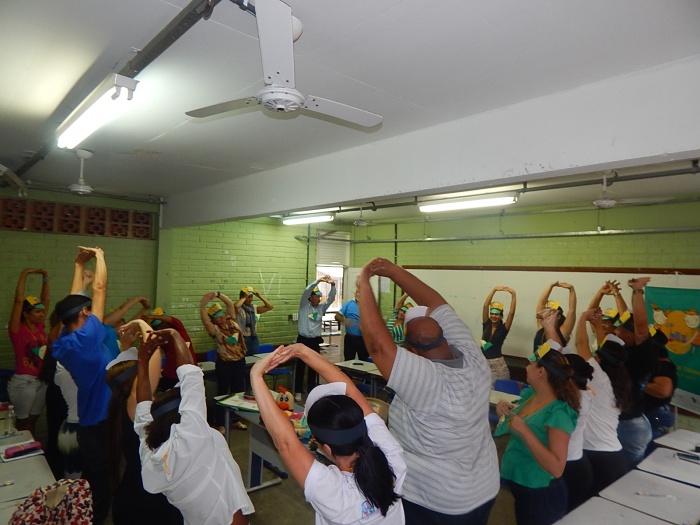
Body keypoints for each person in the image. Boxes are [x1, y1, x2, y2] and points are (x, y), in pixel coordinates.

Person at [358, 258, 498, 525]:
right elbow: (437, 302)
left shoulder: (427, 380)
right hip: (484, 486)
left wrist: (363, 283)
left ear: (411, 351)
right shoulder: (473, 356)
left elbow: (378, 345)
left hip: (437, 500)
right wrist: (393, 271)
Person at [251, 344, 406, 524]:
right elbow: (352, 392)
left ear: (326, 448)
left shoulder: (334, 493)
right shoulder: (390, 454)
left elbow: (285, 443)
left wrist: (256, 375)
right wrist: (302, 351)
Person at [134, 329, 254, 525]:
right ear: (181, 418)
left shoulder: (150, 451)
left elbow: (142, 406)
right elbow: (191, 376)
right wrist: (175, 335)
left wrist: (142, 363)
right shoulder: (192, 438)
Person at [52, 246, 112, 524]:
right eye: (87, 310)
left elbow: (71, 305)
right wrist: (99, 256)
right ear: (85, 312)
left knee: (93, 480)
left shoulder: (64, 343)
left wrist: (78, 266)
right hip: (102, 421)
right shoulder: (88, 337)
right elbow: (100, 289)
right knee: (102, 485)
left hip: (89, 422)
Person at [105, 320, 183, 525]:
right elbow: (152, 352)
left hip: (137, 488)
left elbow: (124, 370)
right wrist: (141, 323)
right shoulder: (135, 403)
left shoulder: (122, 401)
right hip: (146, 499)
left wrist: (125, 345)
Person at [494, 343, 580, 525]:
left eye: (530, 364)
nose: (526, 367)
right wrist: (505, 409)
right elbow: (523, 421)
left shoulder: (559, 413)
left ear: (541, 371)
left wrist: (525, 431)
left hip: (541, 495)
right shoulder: (533, 396)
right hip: (522, 487)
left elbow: (557, 468)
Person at [576, 308, 633, 498]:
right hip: (614, 455)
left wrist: (583, 318)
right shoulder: (620, 379)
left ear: (600, 359)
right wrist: (597, 325)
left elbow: (581, 344)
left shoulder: (598, 378)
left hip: (596, 456)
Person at [613, 277, 658, 468]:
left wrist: (638, 291)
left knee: (626, 476)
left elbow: (640, 325)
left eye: (620, 330)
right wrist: (627, 292)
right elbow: (626, 315)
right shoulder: (627, 350)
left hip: (630, 426)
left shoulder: (642, 353)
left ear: (631, 335)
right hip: (627, 422)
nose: (616, 332)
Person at [8, 268, 50, 435]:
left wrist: (45, 278)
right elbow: (18, 301)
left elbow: (46, 299)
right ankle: (20, 448)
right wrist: (24, 274)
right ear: (25, 314)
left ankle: (31, 448)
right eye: (37, 311)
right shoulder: (17, 329)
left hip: (41, 380)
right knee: (22, 422)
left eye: (42, 311)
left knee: (32, 421)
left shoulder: (39, 327)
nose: (41, 314)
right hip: (25, 381)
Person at [199, 291, 248, 431]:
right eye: (217, 318)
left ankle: (235, 420)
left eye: (222, 316)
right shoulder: (215, 329)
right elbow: (205, 321)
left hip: (239, 361)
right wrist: (202, 305)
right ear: (214, 321)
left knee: (238, 391)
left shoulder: (232, 320)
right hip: (225, 363)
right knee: (223, 392)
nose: (221, 319)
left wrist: (218, 294)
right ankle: (220, 423)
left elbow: (229, 304)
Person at [294, 276, 337, 397]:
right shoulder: (304, 306)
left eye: (319, 297)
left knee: (314, 365)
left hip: (314, 341)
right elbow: (307, 290)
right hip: (303, 340)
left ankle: (311, 389)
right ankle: (298, 390)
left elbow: (331, 298)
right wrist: (318, 281)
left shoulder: (321, 308)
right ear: (310, 297)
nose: (319, 299)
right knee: (301, 366)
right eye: (317, 297)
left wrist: (333, 285)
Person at [145, 307, 197, 390]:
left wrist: (152, 317)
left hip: (188, 373)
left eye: (162, 323)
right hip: (171, 375)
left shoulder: (178, 329)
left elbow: (172, 320)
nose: (161, 327)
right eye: (158, 326)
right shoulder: (160, 338)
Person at [643, 328, 677, 450]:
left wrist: (637, 384)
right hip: (649, 415)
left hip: (654, 415)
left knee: (650, 454)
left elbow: (663, 391)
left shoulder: (663, 366)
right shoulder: (653, 363)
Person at [481, 286, 517, 381]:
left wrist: (513, 295)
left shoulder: (503, 328)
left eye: (496, 314)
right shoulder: (486, 324)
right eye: (492, 314)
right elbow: (485, 306)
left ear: (501, 316)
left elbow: (512, 313)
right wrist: (494, 290)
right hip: (482, 362)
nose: (493, 316)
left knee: (499, 387)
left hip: (497, 364)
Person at [534, 281, 576, 350]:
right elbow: (541, 303)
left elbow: (572, 310)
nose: (547, 313)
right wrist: (551, 286)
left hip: (555, 357)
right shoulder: (542, 326)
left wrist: (571, 289)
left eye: (551, 312)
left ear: (558, 316)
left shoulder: (563, 331)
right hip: (537, 357)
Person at [235, 286, 274, 356]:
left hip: (253, 336)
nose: (250, 299)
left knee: (253, 356)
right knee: (242, 356)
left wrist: (259, 296)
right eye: (248, 297)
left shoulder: (254, 308)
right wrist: (244, 297)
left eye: (251, 297)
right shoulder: (238, 309)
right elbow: (236, 306)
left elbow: (270, 307)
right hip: (241, 337)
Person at [336, 279, 369, 361]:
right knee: (348, 359)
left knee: (364, 360)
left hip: (363, 338)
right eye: (357, 292)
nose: (358, 294)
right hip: (350, 338)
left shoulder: (369, 306)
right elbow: (337, 316)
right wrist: (345, 321)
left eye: (361, 292)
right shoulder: (348, 304)